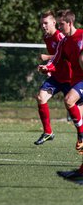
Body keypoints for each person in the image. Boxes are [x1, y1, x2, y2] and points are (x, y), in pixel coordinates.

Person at [38, 9, 83, 177]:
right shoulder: (64, 43)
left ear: (69, 23)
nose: (60, 27)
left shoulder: (81, 36)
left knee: (69, 100)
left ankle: (81, 134)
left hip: (77, 81)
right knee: (71, 103)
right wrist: (46, 68)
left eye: (61, 24)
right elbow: (55, 60)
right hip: (76, 81)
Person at [34, 10, 72, 145]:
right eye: (41, 24)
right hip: (56, 77)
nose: (43, 26)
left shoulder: (60, 36)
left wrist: (47, 58)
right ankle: (48, 132)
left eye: (46, 23)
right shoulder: (47, 37)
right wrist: (48, 67)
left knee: (76, 112)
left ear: (54, 23)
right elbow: (56, 58)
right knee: (40, 97)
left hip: (70, 78)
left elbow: (65, 55)